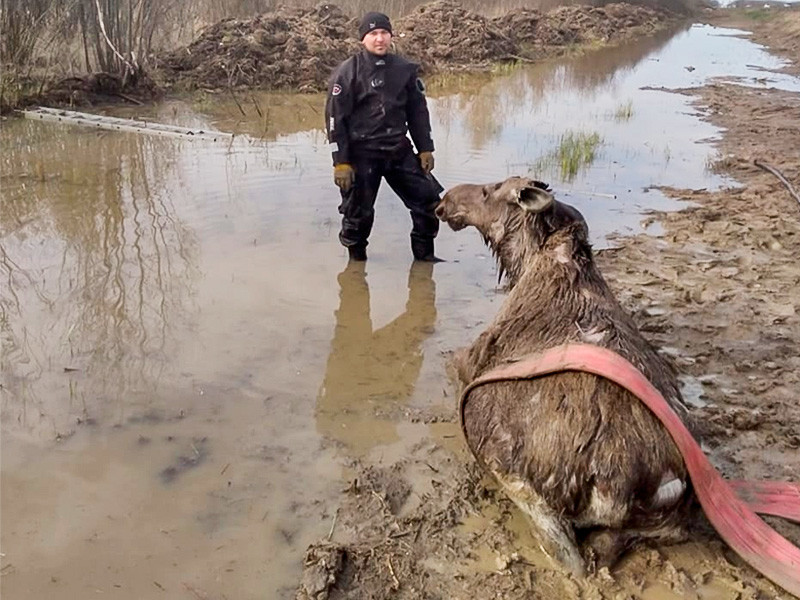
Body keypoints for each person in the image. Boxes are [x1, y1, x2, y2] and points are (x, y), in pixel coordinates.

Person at [325, 11, 443, 262]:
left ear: (390, 36)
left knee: (429, 202)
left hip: (398, 150)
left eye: (384, 33)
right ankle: (356, 269)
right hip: (361, 154)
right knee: (358, 214)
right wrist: (341, 162)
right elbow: (336, 122)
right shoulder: (346, 73)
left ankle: (425, 262)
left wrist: (425, 148)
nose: (379, 39)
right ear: (363, 39)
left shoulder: (405, 70)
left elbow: (418, 113)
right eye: (373, 34)